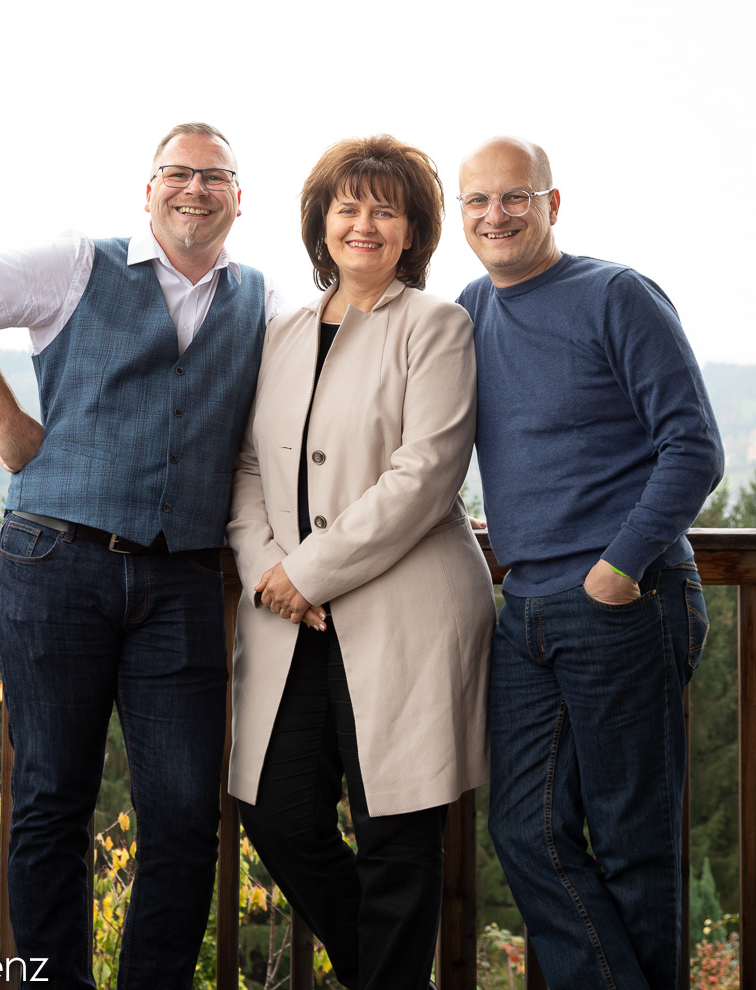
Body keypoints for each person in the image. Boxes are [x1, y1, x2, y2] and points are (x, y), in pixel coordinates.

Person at [0, 122, 276, 990]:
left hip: (183, 576)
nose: (195, 188)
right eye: (177, 173)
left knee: (185, 815)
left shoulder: (260, 297)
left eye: (215, 177)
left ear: (239, 197)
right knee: (51, 802)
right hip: (56, 561)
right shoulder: (78, 263)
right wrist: (8, 423)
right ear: (148, 191)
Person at [225, 135, 495, 990]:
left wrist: (307, 574)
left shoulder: (436, 326)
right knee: (275, 813)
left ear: (413, 232)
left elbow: (426, 474)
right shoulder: (281, 332)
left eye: (386, 210)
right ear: (321, 223)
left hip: (406, 614)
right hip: (290, 619)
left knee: (397, 838)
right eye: (347, 207)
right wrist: (268, 570)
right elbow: (247, 467)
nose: (364, 224)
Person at [456, 137, 724, 990]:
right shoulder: (471, 307)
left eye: (515, 197)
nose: (495, 215)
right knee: (523, 830)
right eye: (477, 201)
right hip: (526, 608)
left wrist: (620, 566)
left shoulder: (616, 294)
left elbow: (695, 447)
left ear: (552, 203)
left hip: (623, 599)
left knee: (631, 843)